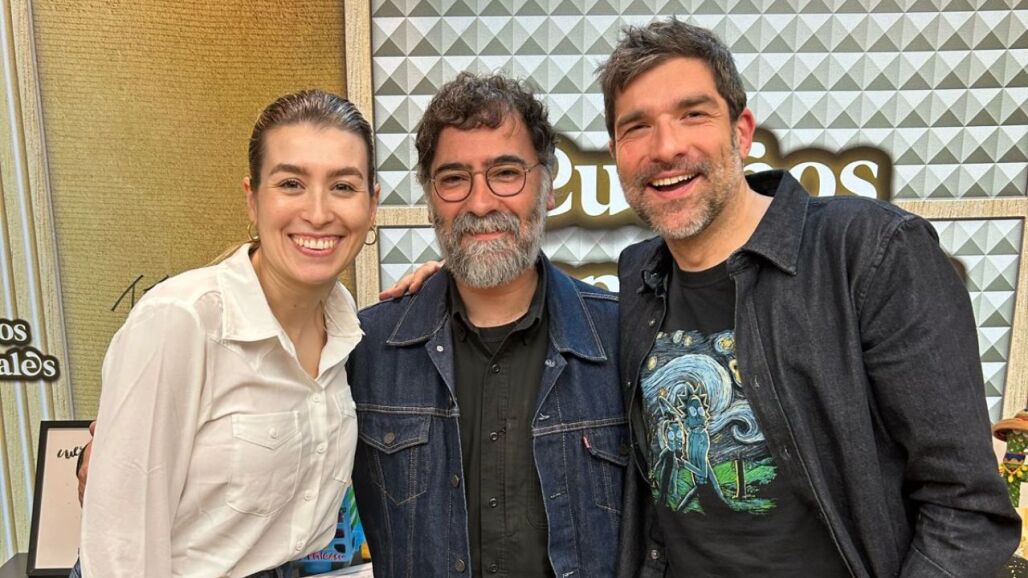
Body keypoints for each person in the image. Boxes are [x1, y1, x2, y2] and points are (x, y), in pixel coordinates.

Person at [602, 19, 1020, 577]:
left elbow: (965, 508)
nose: (666, 147)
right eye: (637, 127)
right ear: (616, 152)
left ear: (741, 132)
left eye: (693, 114)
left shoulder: (870, 251)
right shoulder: (640, 273)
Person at [76, 90, 379, 578]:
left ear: (372, 205)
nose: (319, 212)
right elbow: (120, 551)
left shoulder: (350, 330)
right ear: (252, 199)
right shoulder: (181, 320)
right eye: (291, 183)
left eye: (343, 186)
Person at [347, 72, 627, 577]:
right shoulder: (368, 350)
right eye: (454, 179)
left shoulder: (623, 339)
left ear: (548, 186)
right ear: (430, 197)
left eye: (506, 173)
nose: (480, 204)